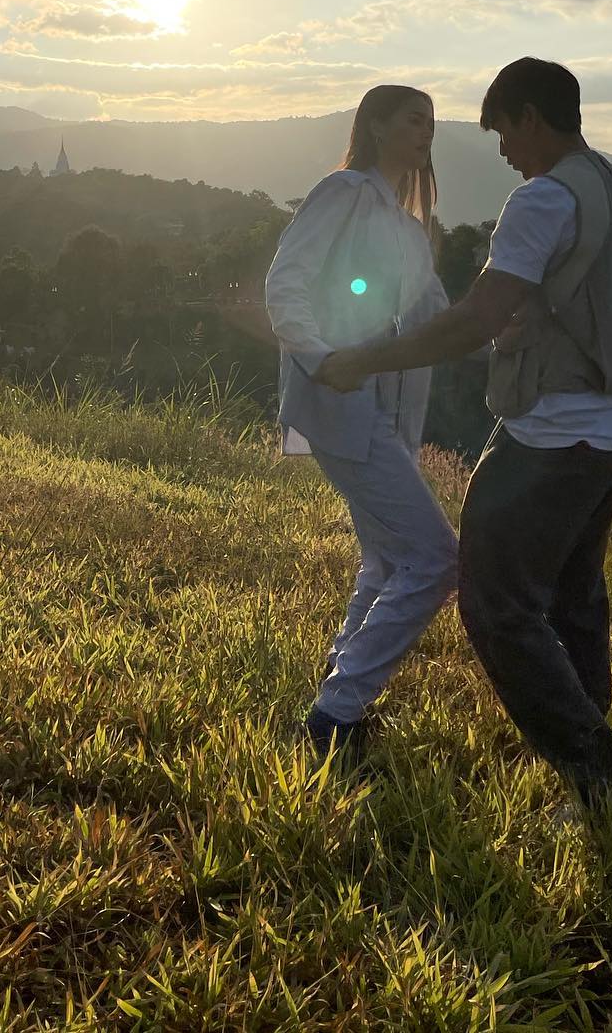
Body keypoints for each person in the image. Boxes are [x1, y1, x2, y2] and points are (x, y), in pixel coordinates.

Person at [320, 57, 612, 813]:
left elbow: (477, 317)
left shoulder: (542, 199)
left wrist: (362, 359)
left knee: (495, 605)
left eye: (502, 131)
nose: (501, 150)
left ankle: (610, 782)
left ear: (530, 117)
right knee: (574, 599)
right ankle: (601, 779)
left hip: (550, 436)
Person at [264, 84, 458, 763]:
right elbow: (284, 282)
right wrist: (322, 361)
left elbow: (440, 318)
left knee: (387, 558)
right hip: (342, 408)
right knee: (434, 559)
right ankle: (334, 717)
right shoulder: (344, 192)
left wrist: (516, 330)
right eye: (413, 119)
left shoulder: (408, 229)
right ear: (375, 126)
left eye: (432, 122)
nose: (426, 132)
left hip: (388, 419)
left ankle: (337, 700)